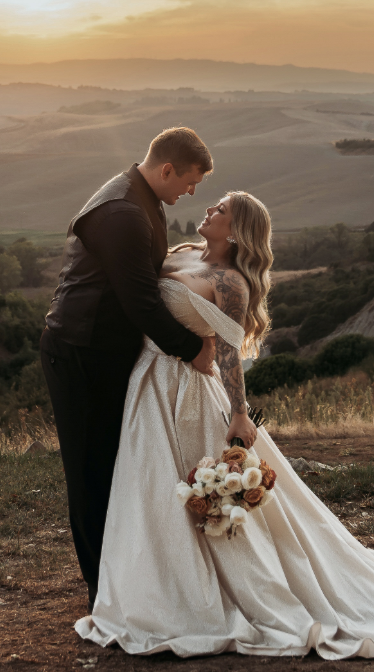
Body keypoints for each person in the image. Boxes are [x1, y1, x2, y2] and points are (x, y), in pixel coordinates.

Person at [76, 191, 374, 661]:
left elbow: (227, 354)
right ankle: (150, 586)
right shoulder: (182, 250)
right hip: (147, 384)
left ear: (240, 228)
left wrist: (240, 414)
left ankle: (195, 595)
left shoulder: (231, 283)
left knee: (189, 497)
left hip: (185, 394)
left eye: (222, 207)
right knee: (145, 491)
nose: (209, 209)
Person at [40, 127, 216, 614]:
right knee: (90, 475)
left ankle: (124, 581)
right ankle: (103, 596)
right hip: (79, 355)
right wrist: (191, 348)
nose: (191, 193)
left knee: (116, 468)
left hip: (104, 353)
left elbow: (143, 275)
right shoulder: (123, 212)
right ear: (166, 169)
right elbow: (139, 302)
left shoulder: (141, 198)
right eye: (189, 182)